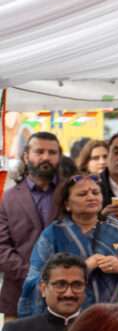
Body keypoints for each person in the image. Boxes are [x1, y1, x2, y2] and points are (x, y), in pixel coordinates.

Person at [19, 175, 118, 317]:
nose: (91, 197)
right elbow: (34, 284)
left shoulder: (116, 230)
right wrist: (84, 267)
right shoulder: (53, 234)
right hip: (66, 323)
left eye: (95, 192)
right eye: (82, 194)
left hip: (112, 322)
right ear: (67, 204)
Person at [0, 131, 62, 317]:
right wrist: (31, 274)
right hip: (18, 295)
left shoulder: (70, 194)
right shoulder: (9, 198)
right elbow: (1, 247)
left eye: (52, 152)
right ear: (26, 157)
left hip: (65, 297)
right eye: (39, 152)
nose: (46, 157)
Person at [0, 254, 86, 331]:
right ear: (43, 288)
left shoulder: (100, 330)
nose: (69, 293)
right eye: (60, 285)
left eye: (77, 285)